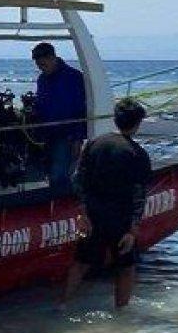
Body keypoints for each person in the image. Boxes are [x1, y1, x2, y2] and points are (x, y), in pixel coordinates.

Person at [61, 98, 153, 309]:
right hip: (120, 219)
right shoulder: (138, 154)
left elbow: (78, 179)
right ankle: (121, 313)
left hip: (93, 215)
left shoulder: (95, 144)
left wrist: (82, 213)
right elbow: (139, 194)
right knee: (125, 268)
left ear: (115, 119)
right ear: (138, 123)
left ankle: (63, 304)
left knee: (81, 263)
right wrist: (133, 230)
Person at [32, 42, 88, 192]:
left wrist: (77, 139)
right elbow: (40, 105)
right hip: (47, 135)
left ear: (52, 58)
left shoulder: (74, 77)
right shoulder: (42, 79)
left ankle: (61, 202)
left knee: (60, 174)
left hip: (67, 136)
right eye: (38, 66)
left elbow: (79, 110)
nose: (41, 68)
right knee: (49, 173)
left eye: (43, 64)